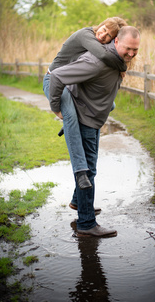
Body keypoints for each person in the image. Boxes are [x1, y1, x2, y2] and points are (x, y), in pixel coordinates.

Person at [48, 26, 140, 237]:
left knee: (90, 170)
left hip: (93, 119)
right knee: (88, 171)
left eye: (136, 50)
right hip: (84, 120)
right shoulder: (97, 62)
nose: (132, 54)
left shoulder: (115, 61)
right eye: (128, 48)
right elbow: (57, 76)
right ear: (116, 42)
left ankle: (78, 202)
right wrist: (56, 108)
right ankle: (87, 223)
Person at [43, 17, 127, 195]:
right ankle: (80, 171)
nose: (103, 35)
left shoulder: (101, 42)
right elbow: (104, 56)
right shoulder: (86, 34)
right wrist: (56, 108)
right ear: (100, 24)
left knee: (108, 105)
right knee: (71, 117)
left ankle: (78, 198)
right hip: (54, 79)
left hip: (69, 82)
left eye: (108, 36)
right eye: (103, 29)